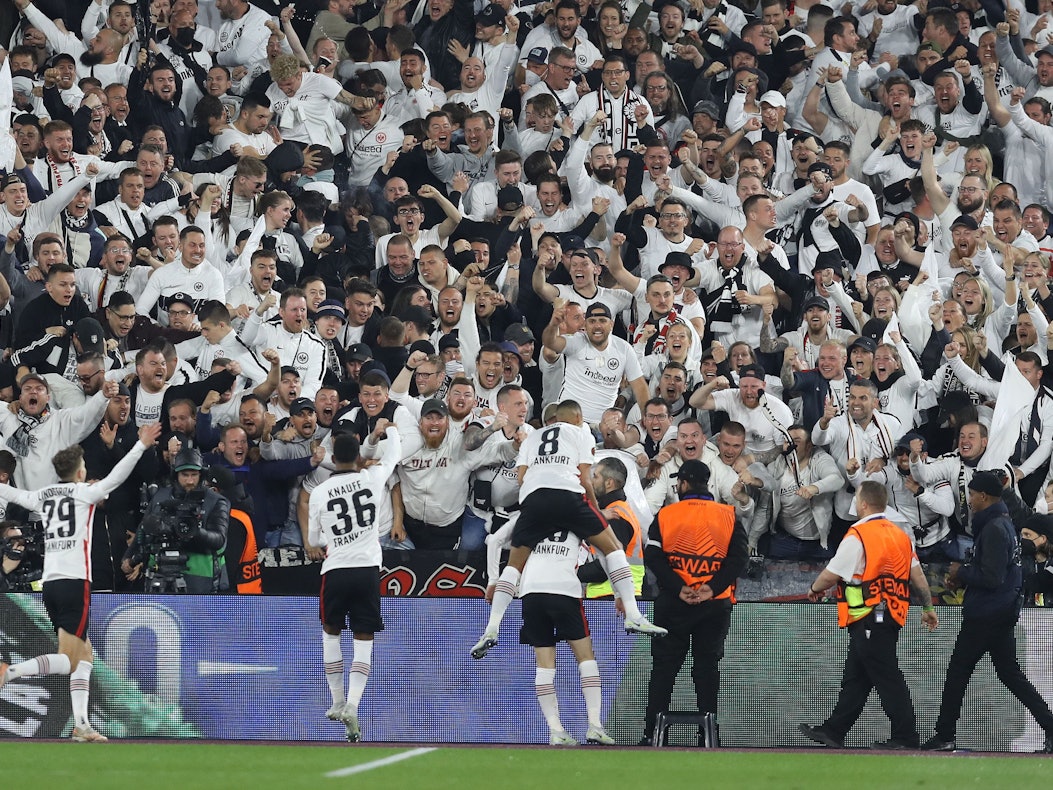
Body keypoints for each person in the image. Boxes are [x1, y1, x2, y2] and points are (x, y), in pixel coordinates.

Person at [0, 422, 161, 743]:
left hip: (51, 584)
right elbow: (118, 476)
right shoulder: (84, 492)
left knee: (84, 656)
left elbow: (9, 491)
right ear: (78, 471)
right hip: (75, 582)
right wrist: (141, 445)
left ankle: (82, 725)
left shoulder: (42, 496)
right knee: (70, 658)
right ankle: (9, 672)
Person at [471, 400, 666, 660]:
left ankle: (491, 627)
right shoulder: (580, 432)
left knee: (514, 566)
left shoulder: (533, 437)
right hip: (567, 498)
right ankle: (633, 614)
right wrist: (595, 511)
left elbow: (520, 479)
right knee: (612, 547)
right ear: (577, 417)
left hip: (533, 500)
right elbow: (586, 478)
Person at [799, 481, 938, 750]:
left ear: (862, 503)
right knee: (857, 676)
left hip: (870, 614)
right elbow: (917, 576)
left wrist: (814, 588)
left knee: (886, 676)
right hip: (891, 614)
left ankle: (906, 737)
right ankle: (834, 730)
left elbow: (833, 573)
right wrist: (928, 608)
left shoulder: (859, 534)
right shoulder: (900, 535)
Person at [922, 472, 1053, 753]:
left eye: (971, 494)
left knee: (958, 672)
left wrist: (962, 572)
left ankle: (945, 735)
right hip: (1000, 611)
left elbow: (992, 577)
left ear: (983, 496)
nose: (969, 500)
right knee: (1010, 675)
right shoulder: (1003, 524)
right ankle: (1051, 727)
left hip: (987, 613)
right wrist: (966, 575)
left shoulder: (994, 527)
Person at [640, 460, 747, 746]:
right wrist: (711, 588)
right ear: (708, 484)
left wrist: (679, 588)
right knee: (707, 668)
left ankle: (653, 734)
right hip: (714, 604)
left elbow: (653, 557)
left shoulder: (666, 514)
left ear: (684, 484)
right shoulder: (728, 514)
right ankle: (708, 736)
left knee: (664, 668)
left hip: (674, 603)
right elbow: (739, 559)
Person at [308, 421, 401, 743]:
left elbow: (314, 539)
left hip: (335, 571)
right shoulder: (371, 478)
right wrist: (391, 431)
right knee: (364, 639)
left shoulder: (320, 491)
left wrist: (328, 538)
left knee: (331, 632)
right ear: (358, 455)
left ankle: (336, 700)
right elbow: (394, 455)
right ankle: (353, 704)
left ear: (333, 457)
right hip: (366, 570)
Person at [518, 509, 616, 747]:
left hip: (531, 591)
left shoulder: (534, 520)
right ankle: (595, 726)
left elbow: (497, 540)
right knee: (586, 658)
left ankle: (555, 731)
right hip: (563, 590)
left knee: (544, 665)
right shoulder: (577, 519)